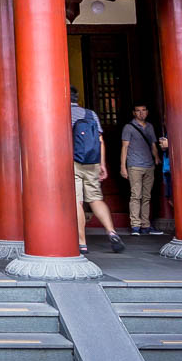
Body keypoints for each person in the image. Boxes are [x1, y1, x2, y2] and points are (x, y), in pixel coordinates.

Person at [70, 88, 125, 253]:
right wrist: (102, 164)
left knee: (77, 201)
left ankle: (82, 242)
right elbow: (100, 140)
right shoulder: (90, 114)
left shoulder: (61, 114)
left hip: (72, 162)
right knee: (95, 199)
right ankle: (111, 232)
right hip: (92, 161)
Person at [120, 103, 167, 235]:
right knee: (136, 195)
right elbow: (124, 147)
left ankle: (145, 225)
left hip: (149, 165)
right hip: (134, 165)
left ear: (147, 112)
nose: (141, 113)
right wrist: (123, 167)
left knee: (146, 196)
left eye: (143, 110)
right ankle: (135, 225)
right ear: (134, 113)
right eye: (138, 111)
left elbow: (153, 144)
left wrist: (156, 158)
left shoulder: (150, 127)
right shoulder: (128, 128)